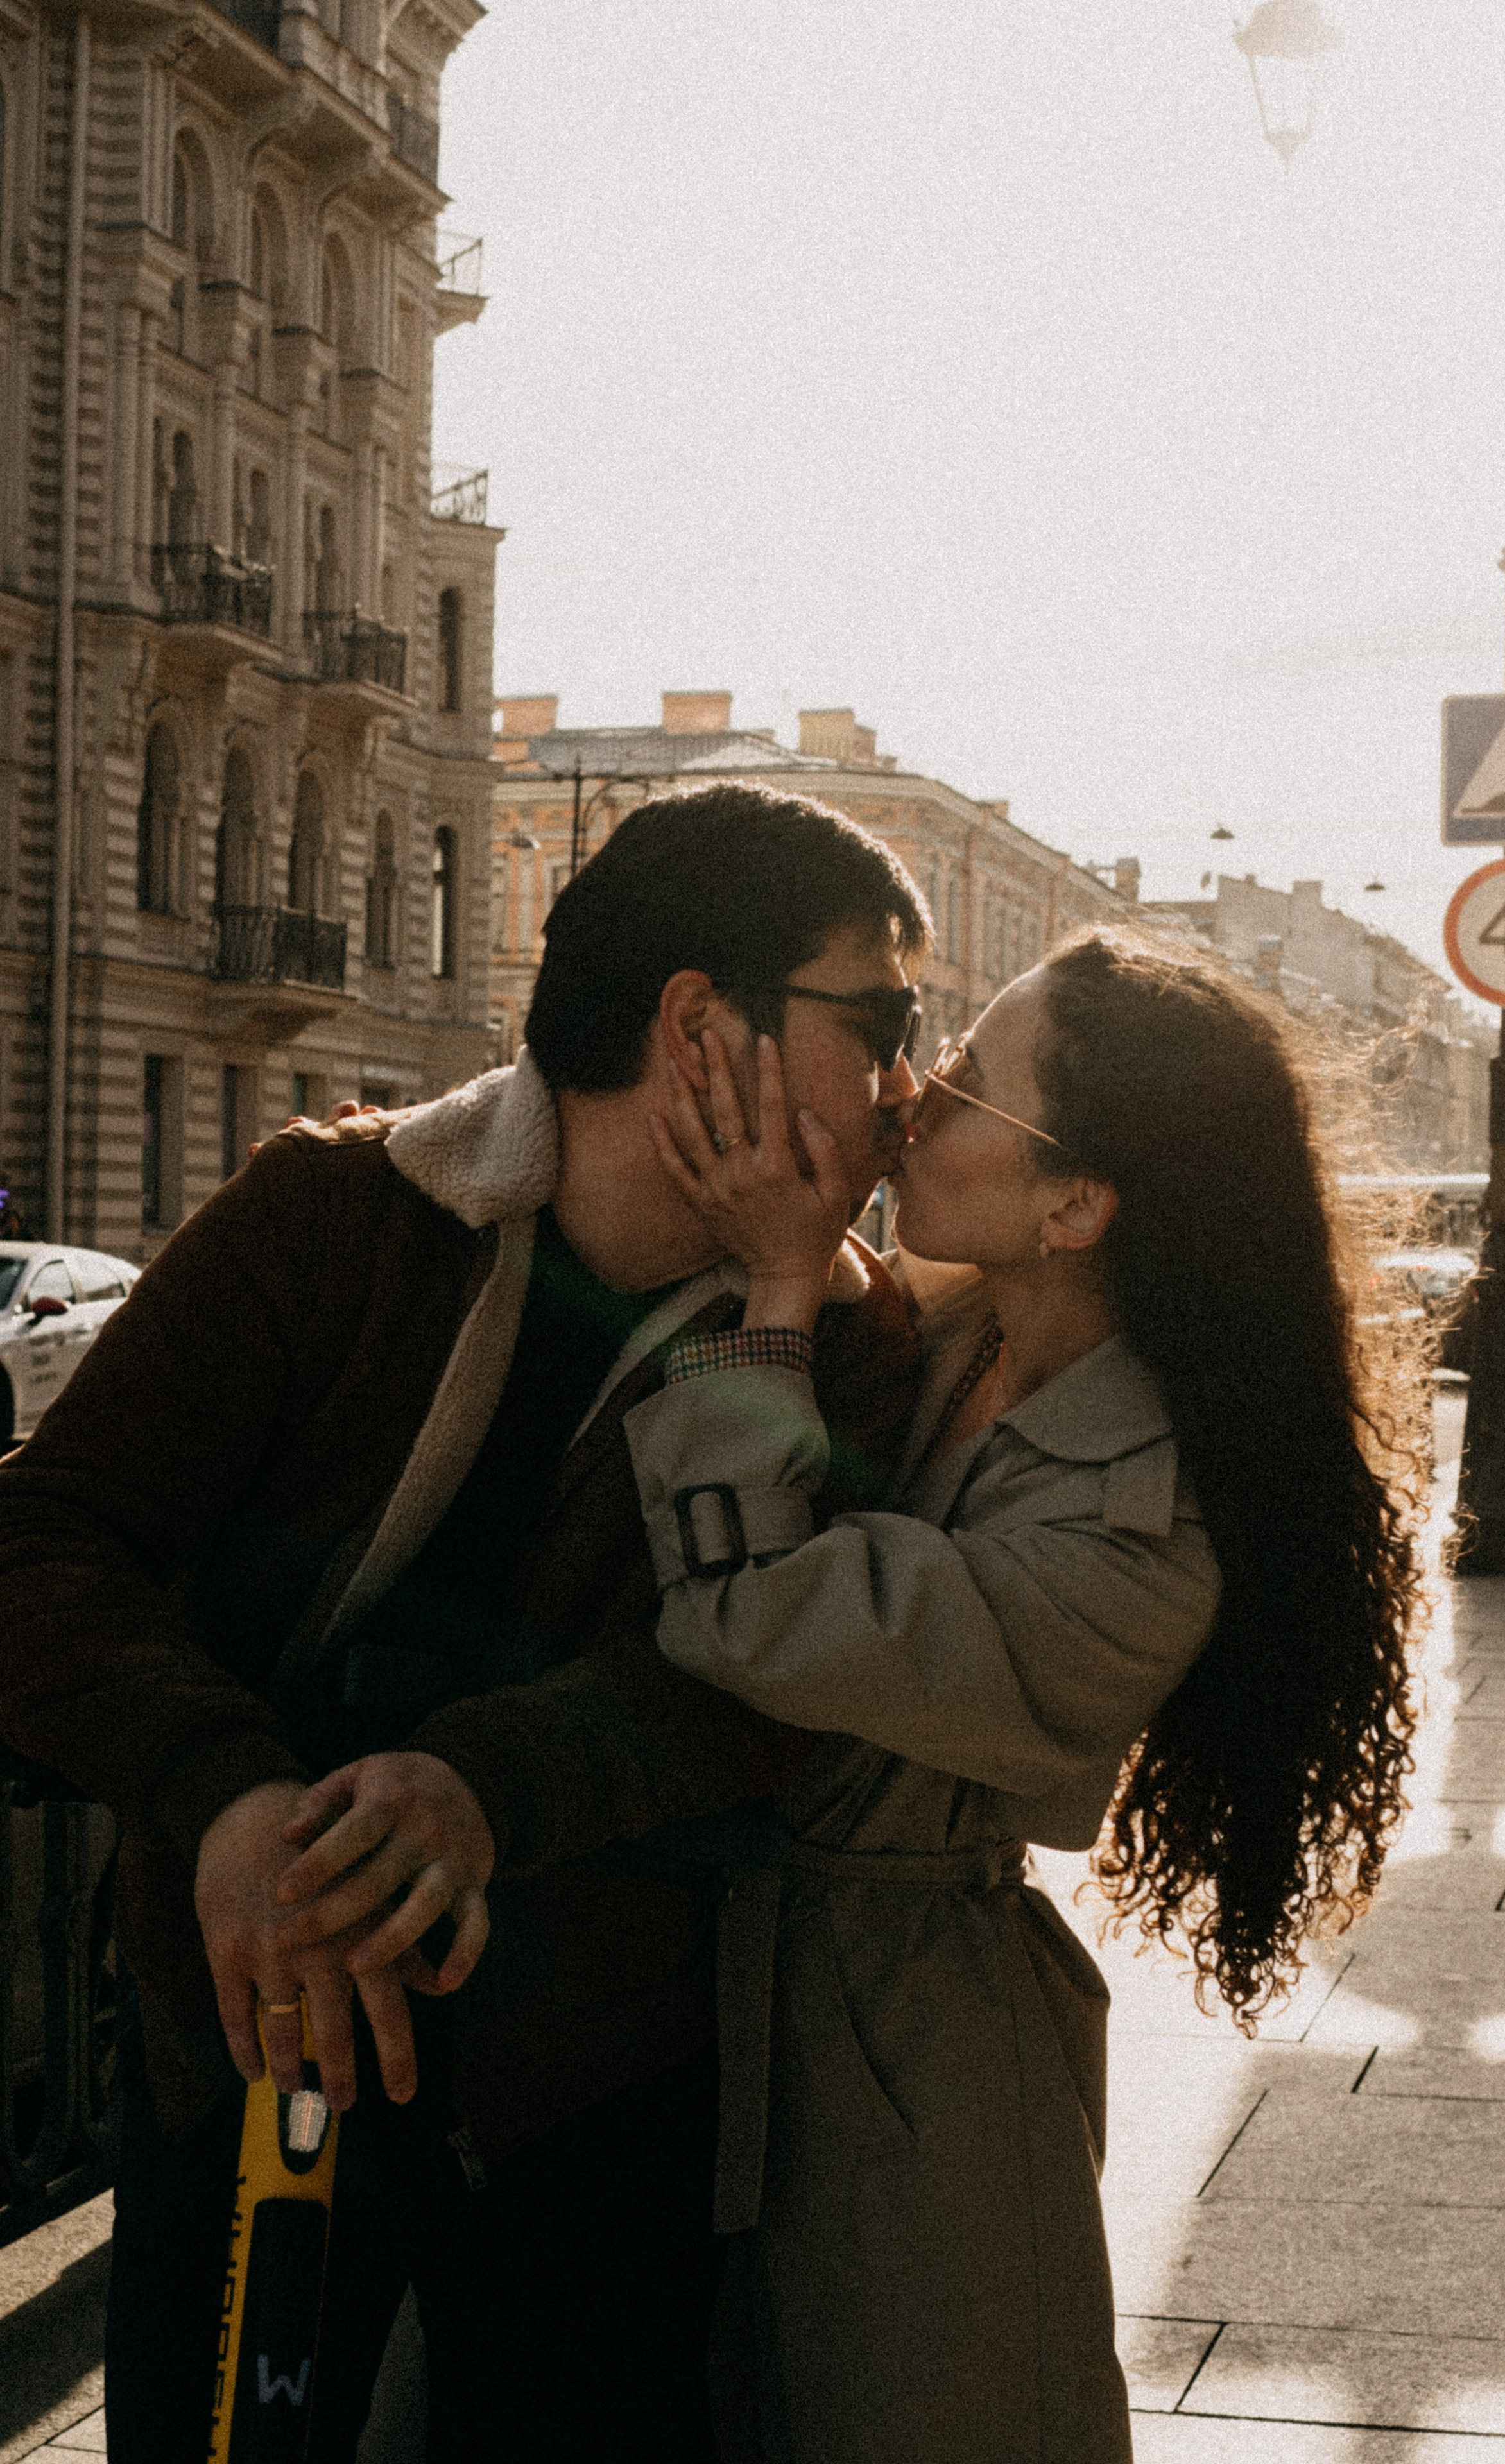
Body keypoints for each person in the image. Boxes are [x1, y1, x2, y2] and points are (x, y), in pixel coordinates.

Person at [0, 784, 929, 2463]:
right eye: (878, 1021)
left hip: (596, 2093)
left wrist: (479, 1790)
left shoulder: (844, 1339)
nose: (909, 1087)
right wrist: (218, 1799)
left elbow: (761, 1685)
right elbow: (48, 1539)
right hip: (254, 2037)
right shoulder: (336, 1213)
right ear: (699, 1028)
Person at [621, 928, 1424, 2463]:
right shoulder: (951, 1318)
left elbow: (748, 1611)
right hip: (712, 2007)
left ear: (1074, 1201)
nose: (913, 1096)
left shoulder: (1150, 1530)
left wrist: (784, 1285)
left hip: (913, 2073)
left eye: (972, 1082)